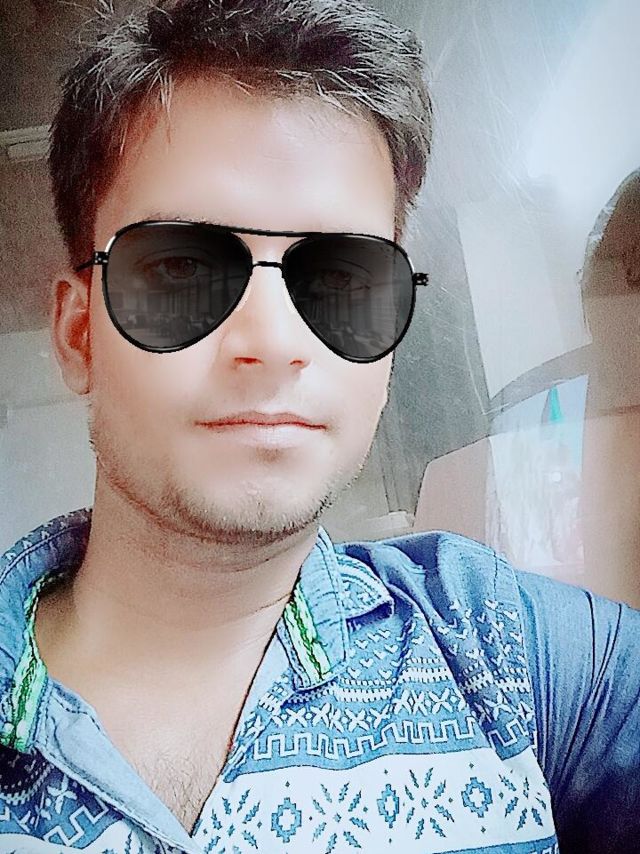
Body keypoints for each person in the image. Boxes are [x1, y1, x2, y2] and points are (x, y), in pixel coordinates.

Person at [0, 1, 638, 852]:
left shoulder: (515, 654)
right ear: (79, 333)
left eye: (341, 277)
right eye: (183, 266)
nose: (273, 342)